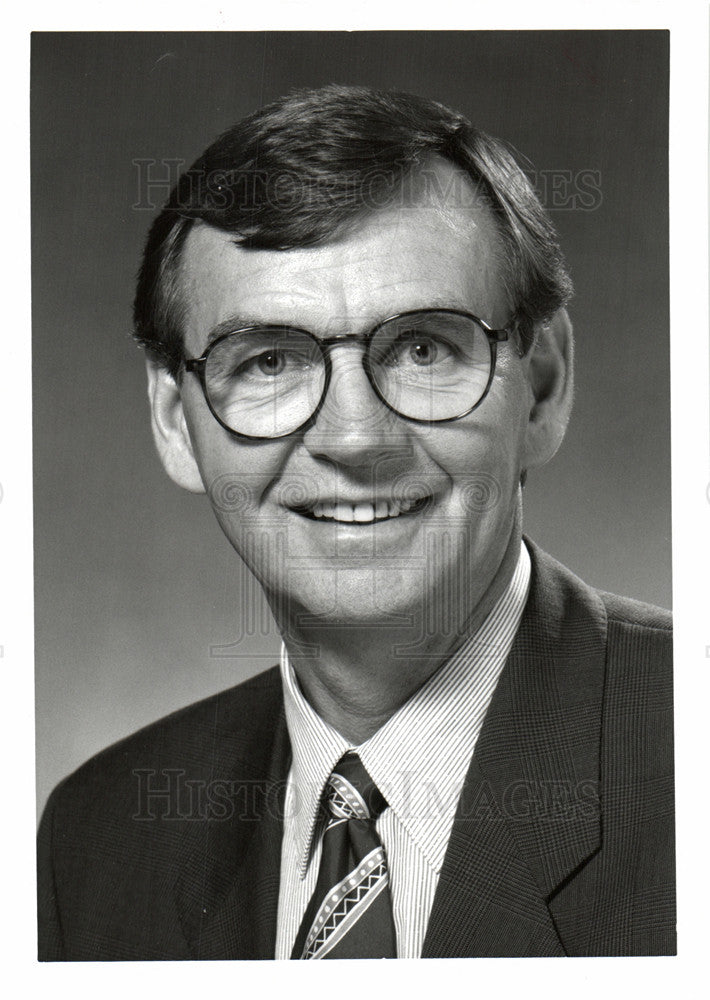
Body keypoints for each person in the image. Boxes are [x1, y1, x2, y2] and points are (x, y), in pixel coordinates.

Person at [37, 85, 675, 960]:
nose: (353, 438)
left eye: (423, 348)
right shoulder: (98, 839)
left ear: (545, 387)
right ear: (177, 423)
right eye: (267, 361)